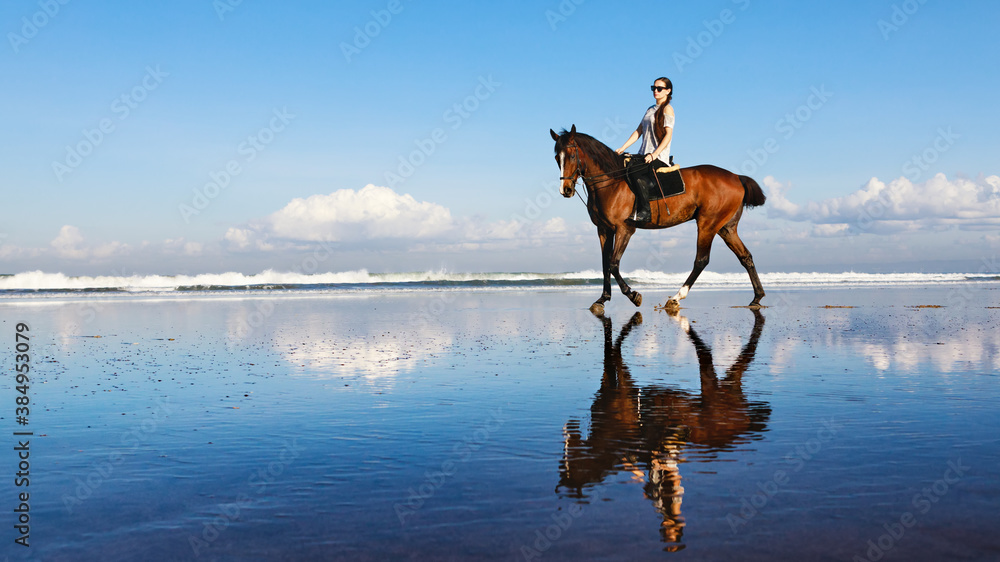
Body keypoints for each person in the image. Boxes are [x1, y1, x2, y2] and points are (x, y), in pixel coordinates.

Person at [616, 77, 675, 222]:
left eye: (659, 88)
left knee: (635, 173)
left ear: (668, 91)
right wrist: (623, 147)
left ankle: (645, 211)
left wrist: (655, 154)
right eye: (653, 88)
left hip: (658, 157)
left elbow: (668, 135)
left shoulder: (667, 109)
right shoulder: (650, 109)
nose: (655, 91)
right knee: (623, 165)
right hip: (643, 154)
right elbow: (638, 131)